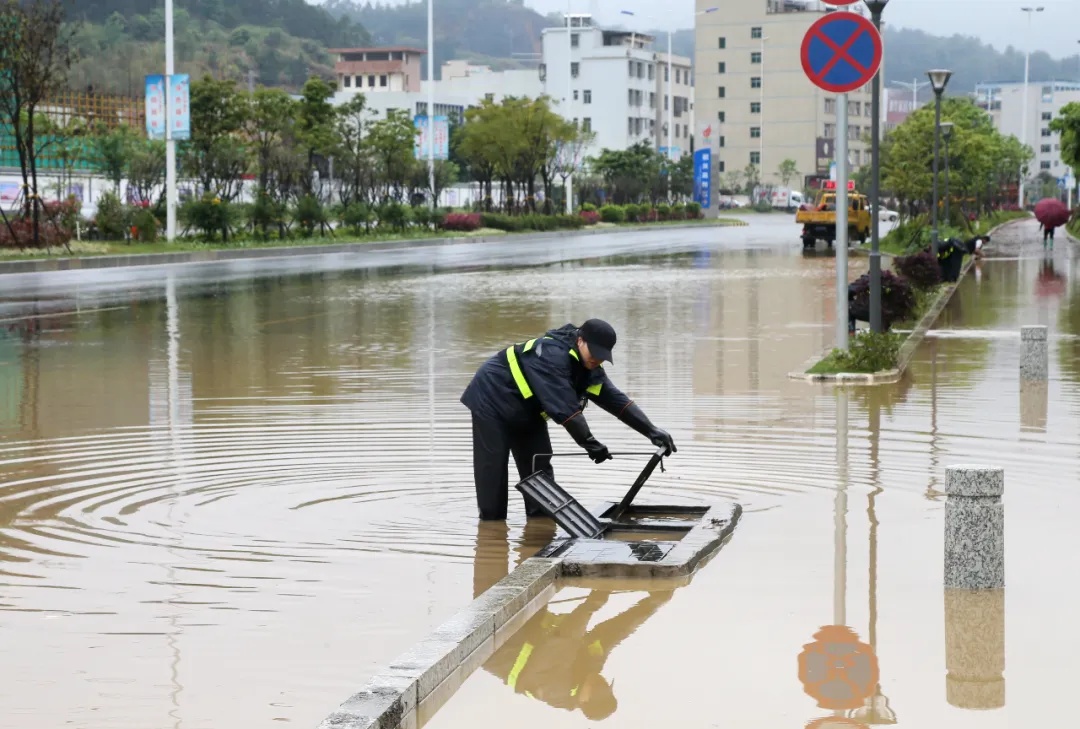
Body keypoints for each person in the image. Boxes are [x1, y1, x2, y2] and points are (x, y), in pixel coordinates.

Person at [460, 319, 677, 521]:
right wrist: (589, 442)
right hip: (491, 400)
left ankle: (539, 527)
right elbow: (564, 408)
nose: (597, 360)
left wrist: (651, 430)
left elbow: (615, 400)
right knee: (493, 470)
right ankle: (492, 524)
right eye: (594, 353)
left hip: (527, 410)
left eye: (602, 356)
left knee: (539, 470)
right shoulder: (551, 356)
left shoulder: (587, 366)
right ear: (580, 340)